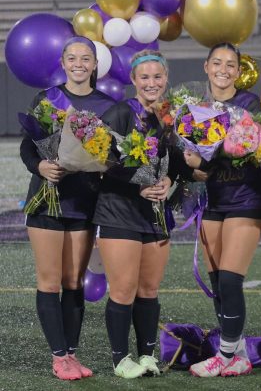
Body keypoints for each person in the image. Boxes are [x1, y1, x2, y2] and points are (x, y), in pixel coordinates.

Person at [20, 36, 115, 380]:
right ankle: (59, 357)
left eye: (85, 58)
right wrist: (41, 167)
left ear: (94, 65)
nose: (78, 63)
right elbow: (28, 148)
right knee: (50, 281)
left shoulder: (106, 104)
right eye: (72, 57)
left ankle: (72, 354)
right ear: (63, 62)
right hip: (47, 200)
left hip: (83, 202)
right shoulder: (47, 99)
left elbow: (111, 157)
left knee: (73, 281)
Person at [93, 50, 189, 379]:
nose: (151, 83)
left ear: (166, 79)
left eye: (157, 77)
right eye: (144, 77)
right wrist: (139, 186)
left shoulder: (172, 117)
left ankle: (147, 355)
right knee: (123, 290)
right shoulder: (119, 113)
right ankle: (121, 359)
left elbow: (179, 164)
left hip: (155, 215)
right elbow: (102, 162)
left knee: (149, 290)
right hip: (119, 212)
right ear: (133, 80)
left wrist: (168, 180)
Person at [184, 43, 261, 378]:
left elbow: (247, 148)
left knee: (232, 280)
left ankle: (224, 354)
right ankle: (241, 353)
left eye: (230, 64)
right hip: (212, 202)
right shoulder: (193, 106)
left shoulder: (249, 103)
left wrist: (209, 157)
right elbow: (186, 153)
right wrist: (189, 167)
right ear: (206, 66)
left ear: (238, 70)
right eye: (217, 62)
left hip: (245, 199)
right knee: (219, 283)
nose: (223, 69)